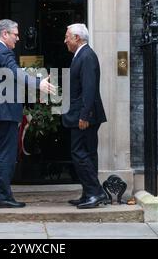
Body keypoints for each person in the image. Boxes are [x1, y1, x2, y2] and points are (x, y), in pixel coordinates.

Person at [0, 19, 56, 208]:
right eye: (15, 34)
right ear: (5, 34)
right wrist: (39, 83)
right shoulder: (4, 52)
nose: (18, 38)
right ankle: (4, 197)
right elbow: (16, 73)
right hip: (4, 112)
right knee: (6, 154)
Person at [62, 23, 108, 209]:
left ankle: (96, 193)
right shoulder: (81, 55)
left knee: (79, 153)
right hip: (84, 114)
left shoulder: (87, 56)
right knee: (88, 153)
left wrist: (84, 116)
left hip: (85, 116)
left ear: (77, 38)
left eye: (67, 36)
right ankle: (88, 193)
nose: (65, 40)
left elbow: (89, 89)